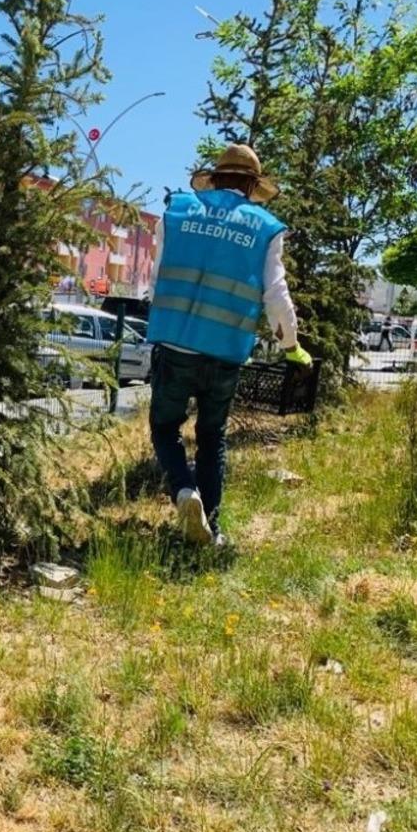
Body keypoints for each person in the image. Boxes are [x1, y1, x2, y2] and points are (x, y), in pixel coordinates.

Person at [146, 144, 312, 547]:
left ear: (215, 177)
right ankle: (213, 529)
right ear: (252, 184)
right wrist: (291, 345)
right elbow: (277, 293)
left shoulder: (178, 211)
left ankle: (185, 492)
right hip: (225, 352)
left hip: (174, 344)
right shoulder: (265, 227)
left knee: (165, 428)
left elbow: (156, 276)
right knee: (212, 437)